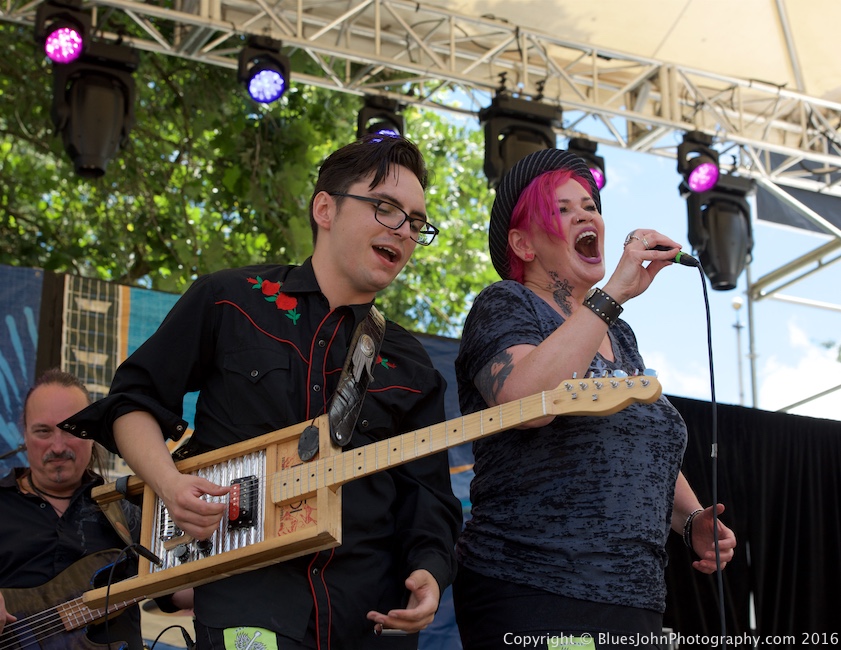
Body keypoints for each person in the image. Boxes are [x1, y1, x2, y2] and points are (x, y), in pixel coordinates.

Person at [59, 134, 462, 650]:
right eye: (386, 208)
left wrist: (429, 571)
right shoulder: (231, 299)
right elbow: (132, 402)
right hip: (248, 598)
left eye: (416, 221)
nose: (404, 230)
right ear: (325, 208)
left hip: (370, 618)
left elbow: (428, 497)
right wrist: (169, 484)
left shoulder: (412, 364)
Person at [452, 149, 737, 649]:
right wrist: (611, 296)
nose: (585, 214)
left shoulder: (618, 334)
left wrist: (690, 518)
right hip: (534, 587)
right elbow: (526, 399)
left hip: (633, 596)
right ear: (523, 243)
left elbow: (637, 443)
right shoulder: (506, 304)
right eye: (562, 209)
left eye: (589, 205)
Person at [0, 368, 146, 648]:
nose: (57, 446)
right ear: (25, 436)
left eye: (71, 430)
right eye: (43, 431)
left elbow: (177, 591)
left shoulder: (126, 510)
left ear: (91, 434)